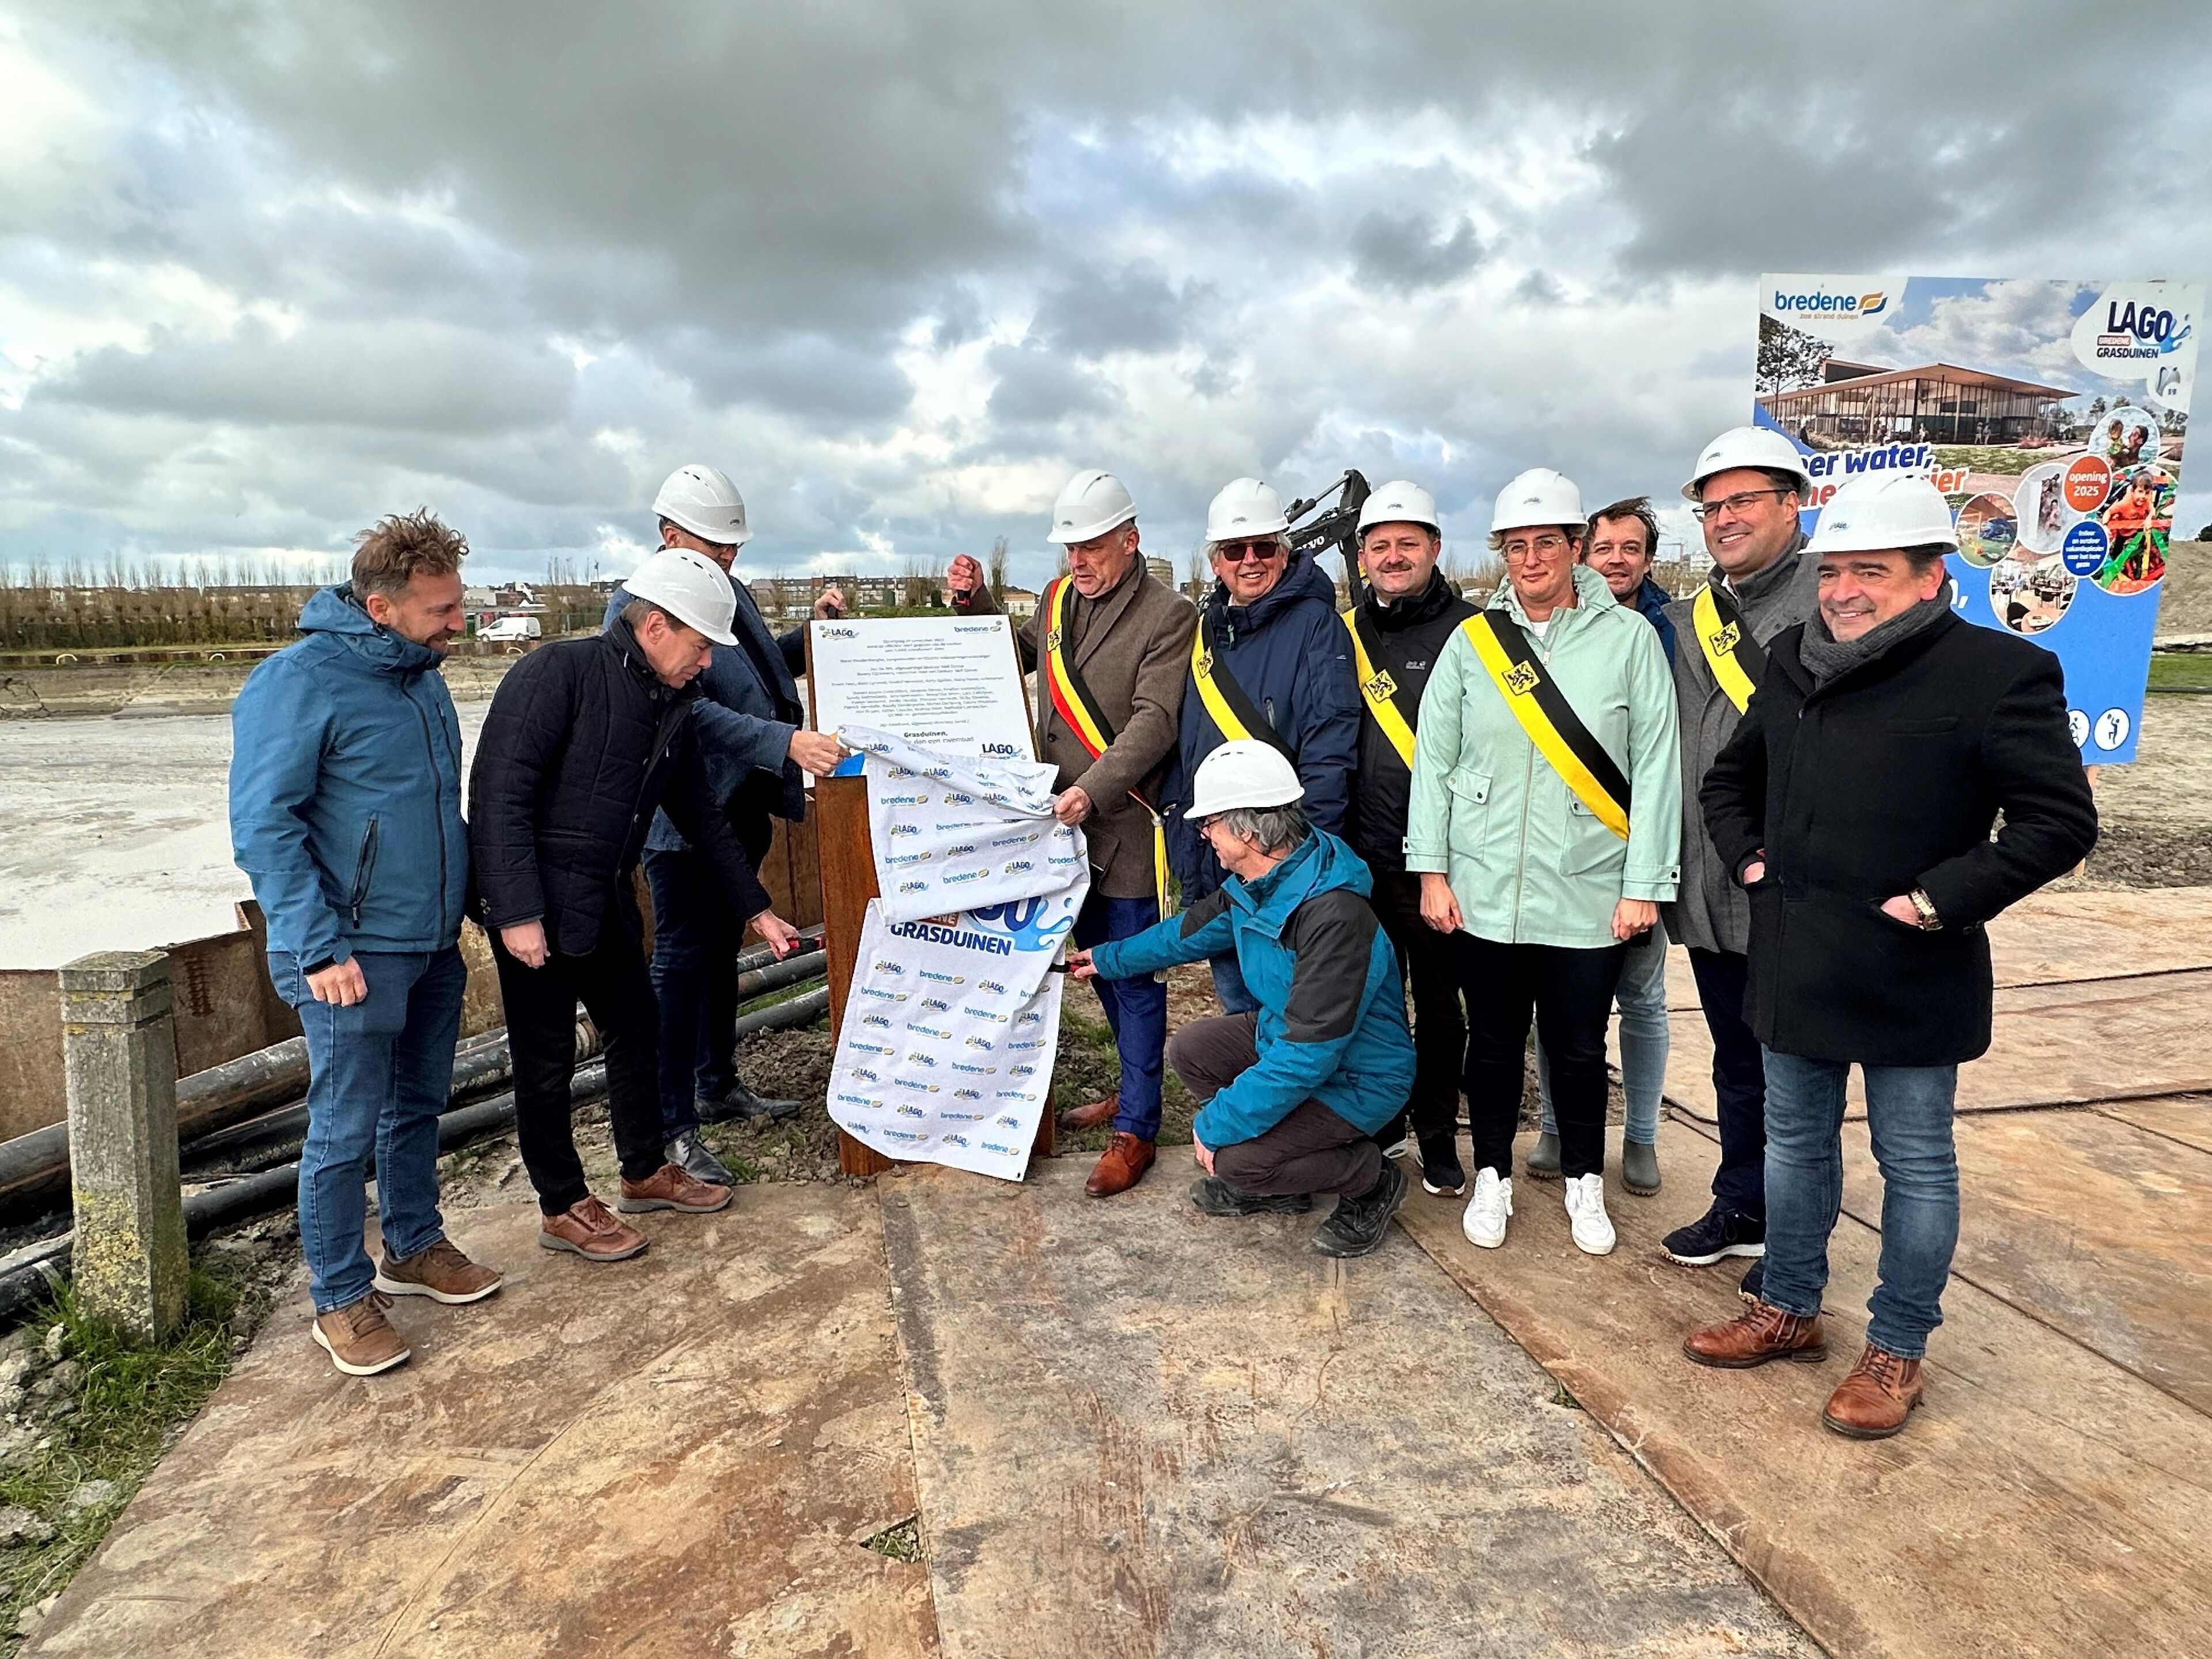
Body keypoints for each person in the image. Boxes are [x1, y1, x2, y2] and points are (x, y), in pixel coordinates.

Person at [1683, 472, 2097, 1438]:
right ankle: (1787, 1307)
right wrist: (1750, 861)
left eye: (1870, 571)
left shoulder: (1997, 673)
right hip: (1796, 957)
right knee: (1795, 1145)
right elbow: (1729, 782)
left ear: (1930, 576)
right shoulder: (1793, 659)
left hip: (1914, 967)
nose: (1843, 591)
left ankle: (1897, 1348)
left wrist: (1938, 901)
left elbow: (2058, 823)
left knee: (1915, 1164)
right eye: (1835, 571)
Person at [470, 547, 802, 1263]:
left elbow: (700, 815)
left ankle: (644, 1170)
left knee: (637, 1029)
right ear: (655, 627)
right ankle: (562, 1205)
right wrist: (516, 913)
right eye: (701, 646)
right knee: (545, 1060)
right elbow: (499, 795)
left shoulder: (667, 702)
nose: (707, 663)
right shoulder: (554, 675)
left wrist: (758, 909)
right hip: (537, 905)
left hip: (605, 893)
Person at [230, 510, 498, 1377]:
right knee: (342, 1131)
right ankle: (340, 1296)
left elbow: (433, 811)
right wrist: (317, 948)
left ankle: (413, 1246)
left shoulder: (423, 677)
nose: (459, 623)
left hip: (429, 941)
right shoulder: (297, 682)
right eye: (441, 610)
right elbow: (264, 827)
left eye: (459, 603)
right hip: (349, 953)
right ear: (380, 608)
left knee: (416, 1106)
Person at [1406, 468, 1681, 1257]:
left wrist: (1644, 886)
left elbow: (1657, 767)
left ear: (1576, 547)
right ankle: (1492, 1175)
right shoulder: (1473, 643)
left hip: (1589, 887)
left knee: (1579, 1047)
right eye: (1516, 546)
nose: (1531, 560)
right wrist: (1433, 872)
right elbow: (1435, 762)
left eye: (1547, 543)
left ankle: (1584, 1182)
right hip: (1485, 887)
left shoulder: (1629, 640)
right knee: (1493, 1043)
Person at [947, 469, 1197, 1198]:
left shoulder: (1170, 615)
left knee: (1134, 977)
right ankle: (1132, 1086)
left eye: (1091, 547)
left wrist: (1092, 789)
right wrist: (976, 603)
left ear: (1131, 540)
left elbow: (1155, 720)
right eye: (1069, 548)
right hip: (1060, 830)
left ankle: (1138, 1128)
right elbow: (1016, 654)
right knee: (1097, 970)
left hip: (1124, 822)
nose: (1077, 561)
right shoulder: (1058, 600)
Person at [1069, 742, 1415, 1257]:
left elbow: (1308, 1054)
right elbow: (1188, 932)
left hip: (1360, 1077)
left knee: (1236, 1161)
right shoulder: (1263, 880)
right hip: (1291, 1040)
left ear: (1247, 832)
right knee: (1192, 1050)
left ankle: (1370, 1179)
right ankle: (1285, 1182)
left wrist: (1217, 1127)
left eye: (1210, 824)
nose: (1204, 834)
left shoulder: (1335, 916)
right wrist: (1109, 958)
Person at [604, 465, 847, 1188]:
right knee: (681, 964)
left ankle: (717, 1082)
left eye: (734, 547)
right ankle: (672, 1127)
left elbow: (759, 677)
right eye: (715, 545)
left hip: (740, 806)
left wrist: (811, 635)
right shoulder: (640, 608)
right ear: (669, 535)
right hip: (685, 823)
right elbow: (689, 712)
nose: (728, 557)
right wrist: (784, 743)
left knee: (716, 958)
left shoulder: (725, 591)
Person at [1658, 427, 1819, 1291]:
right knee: (1737, 1063)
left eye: (1743, 501)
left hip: (1794, 887)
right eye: (1712, 506)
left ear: (1793, 504)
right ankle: (1744, 1205)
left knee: (1799, 1077)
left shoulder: (1833, 600)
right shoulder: (1694, 619)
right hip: (1714, 887)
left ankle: (1796, 1248)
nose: (1724, 519)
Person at [1528, 495, 1675, 1196]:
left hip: (1638, 842)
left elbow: (1663, 756)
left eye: (1631, 548)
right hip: (1565, 851)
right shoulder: (1554, 628)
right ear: (1583, 552)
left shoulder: (1671, 632)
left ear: (1649, 559)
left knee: (1642, 999)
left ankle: (1641, 1134)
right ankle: (1555, 1126)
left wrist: (1653, 868)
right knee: (1557, 1005)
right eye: (1605, 547)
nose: (1617, 560)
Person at [1171, 477, 1361, 1016]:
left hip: (1282, 868)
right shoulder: (1206, 632)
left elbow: (1329, 751)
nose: (1250, 561)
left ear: (1284, 551)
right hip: (1222, 861)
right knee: (1239, 1015)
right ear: (1216, 563)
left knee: (1292, 1021)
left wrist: (1303, 871)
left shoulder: (1318, 627)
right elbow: (1191, 744)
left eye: (1263, 547)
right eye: (1235, 550)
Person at [1338, 480, 1476, 1198]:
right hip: (1359, 860)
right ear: (1363, 555)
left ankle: (1437, 1131)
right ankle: (1382, 1119)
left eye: (1408, 544)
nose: (1393, 557)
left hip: (1441, 864)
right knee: (1371, 1003)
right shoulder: (1344, 633)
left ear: (1435, 548)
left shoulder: (1475, 631)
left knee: (1442, 1007)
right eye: (1380, 545)